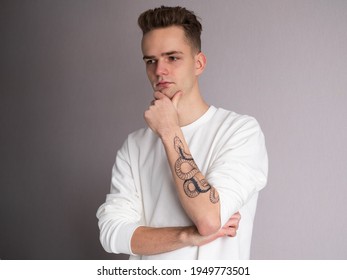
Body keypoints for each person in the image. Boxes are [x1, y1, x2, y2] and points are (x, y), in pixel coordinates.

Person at [96, 6, 268, 260]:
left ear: (198, 63)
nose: (159, 70)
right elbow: (112, 234)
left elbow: (209, 218)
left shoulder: (240, 132)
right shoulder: (134, 146)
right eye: (150, 60)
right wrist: (187, 236)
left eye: (172, 58)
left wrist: (168, 130)